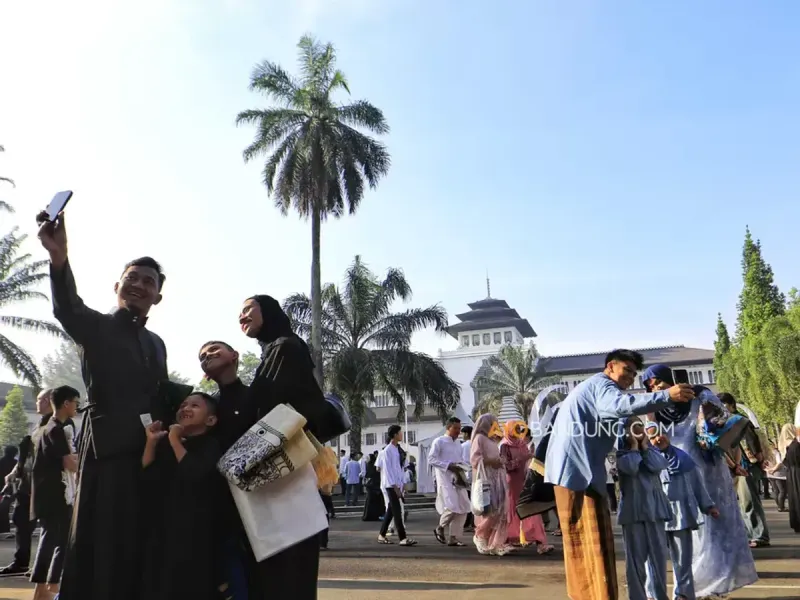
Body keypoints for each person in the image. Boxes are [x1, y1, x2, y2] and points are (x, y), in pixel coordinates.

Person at [37, 210, 172, 600]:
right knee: (102, 541)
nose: (139, 285)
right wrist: (59, 257)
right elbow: (66, 307)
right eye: (132, 278)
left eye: (148, 281)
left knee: (141, 540)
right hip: (108, 453)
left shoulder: (157, 343)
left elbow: (161, 395)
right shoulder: (96, 327)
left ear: (157, 297)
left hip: (150, 453)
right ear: (117, 286)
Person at [544, 350, 693, 600]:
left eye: (634, 374)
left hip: (579, 472)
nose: (630, 378)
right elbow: (620, 406)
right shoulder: (603, 387)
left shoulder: (598, 389)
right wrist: (667, 395)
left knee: (590, 548)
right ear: (611, 366)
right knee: (591, 549)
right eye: (627, 370)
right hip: (577, 474)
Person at [239, 294, 331, 596]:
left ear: (269, 312)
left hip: (284, 465)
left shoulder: (284, 347)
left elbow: (266, 405)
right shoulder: (278, 348)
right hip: (290, 465)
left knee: (287, 555)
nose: (242, 316)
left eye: (249, 309)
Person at [642, 365, 757, 597]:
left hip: (708, 468)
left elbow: (722, 421)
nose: (655, 388)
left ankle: (718, 579)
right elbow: (650, 433)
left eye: (658, 382)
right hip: (676, 471)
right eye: (650, 386)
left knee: (717, 523)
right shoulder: (653, 406)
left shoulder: (699, 395)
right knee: (689, 528)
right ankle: (694, 583)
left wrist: (706, 406)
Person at [140, 392, 221, 600]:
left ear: (210, 420)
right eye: (183, 405)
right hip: (164, 530)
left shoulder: (210, 445)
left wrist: (175, 440)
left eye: (194, 406)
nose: (185, 409)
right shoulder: (169, 445)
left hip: (193, 533)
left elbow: (194, 474)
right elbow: (148, 476)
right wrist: (151, 442)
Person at [199, 339, 257, 600]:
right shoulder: (207, 407)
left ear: (234, 356)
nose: (207, 355)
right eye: (202, 356)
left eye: (213, 349)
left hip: (258, 499)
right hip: (220, 504)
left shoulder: (257, 397)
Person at [644, 422, 718, 600]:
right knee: (653, 560)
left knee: (683, 560)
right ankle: (653, 594)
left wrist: (708, 505)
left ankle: (683, 594)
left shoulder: (683, 458)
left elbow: (697, 484)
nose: (658, 439)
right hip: (655, 516)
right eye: (652, 437)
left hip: (680, 515)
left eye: (660, 434)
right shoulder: (644, 460)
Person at [30, 385, 80, 600]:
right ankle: (47, 587)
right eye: (76, 403)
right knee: (56, 540)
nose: (77, 407)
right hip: (54, 495)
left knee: (55, 539)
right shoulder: (56, 430)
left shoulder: (47, 428)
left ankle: (46, 588)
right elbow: (69, 463)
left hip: (49, 494)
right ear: (66, 403)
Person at [0, 389, 54, 577]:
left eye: (39, 400)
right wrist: (15, 471)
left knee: (48, 527)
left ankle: (45, 567)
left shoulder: (57, 425)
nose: (37, 403)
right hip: (27, 485)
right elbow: (28, 456)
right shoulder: (38, 425)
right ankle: (21, 562)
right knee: (21, 521)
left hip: (43, 486)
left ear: (48, 401)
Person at [718, 392, 770, 548]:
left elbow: (751, 442)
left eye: (723, 405)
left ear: (731, 405)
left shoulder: (739, 420)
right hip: (737, 466)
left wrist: (758, 459)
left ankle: (759, 535)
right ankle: (749, 534)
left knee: (749, 501)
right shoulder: (728, 422)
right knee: (743, 503)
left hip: (746, 465)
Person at [501, 420, 551, 554]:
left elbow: (529, 459)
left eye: (519, 428)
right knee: (512, 511)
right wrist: (522, 459)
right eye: (515, 428)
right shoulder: (504, 446)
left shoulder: (522, 443)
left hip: (526, 479)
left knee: (532, 509)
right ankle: (509, 539)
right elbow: (507, 466)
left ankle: (541, 542)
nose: (518, 431)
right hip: (512, 482)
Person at [470, 414, 510, 556]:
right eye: (493, 423)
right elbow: (475, 459)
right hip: (486, 478)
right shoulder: (479, 438)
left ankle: (496, 543)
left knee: (499, 511)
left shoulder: (491, 440)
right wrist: (492, 461)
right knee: (490, 511)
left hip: (497, 479)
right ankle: (480, 535)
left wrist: (499, 461)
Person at [429, 417, 471, 547]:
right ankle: (440, 527)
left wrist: (465, 467)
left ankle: (454, 537)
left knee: (464, 506)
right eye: (456, 428)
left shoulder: (458, 443)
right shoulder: (439, 441)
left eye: (459, 428)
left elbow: (460, 460)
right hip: (445, 479)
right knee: (452, 506)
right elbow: (431, 459)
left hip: (458, 477)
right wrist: (448, 466)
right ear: (448, 427)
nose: (458, 431)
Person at [377, 425, 417, 546]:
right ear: (395, 435)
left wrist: (402, 484)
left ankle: (381, 535)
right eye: (400, 433)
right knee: (397, 511)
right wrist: (395, 487)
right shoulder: (387, 451)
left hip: (397, 484)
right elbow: (388, 471)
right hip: (390, 485)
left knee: (391, 510)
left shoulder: (398, 450)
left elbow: (400, 469)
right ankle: (402, 538)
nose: (402, 435)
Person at [766, 424, 793, 512]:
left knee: (775, 490)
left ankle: (779, 506)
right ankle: (781, 507)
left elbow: (763, 463)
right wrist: (774, 469)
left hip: (769, 474)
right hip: (779, 474)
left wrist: (768, 470)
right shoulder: (776, 452)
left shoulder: (766, 452)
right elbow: (779, 462)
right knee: (782, 491)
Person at [783, 425, 800, 533]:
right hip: (797, 473)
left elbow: (785, 461)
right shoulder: (797, 445)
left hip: (791, 474)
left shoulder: (790, 445)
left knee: (794, 499)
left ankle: (796, 522)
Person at [361, 452, 385, 521]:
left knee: (371, 502)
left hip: (372, 486)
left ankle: (370, 516)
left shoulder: (370, 465)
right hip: (375, 486)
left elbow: (368, 475)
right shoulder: (374, 465)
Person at [461, 426, 475, 531]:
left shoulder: (463, 446)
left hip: (466, 474)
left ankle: (466, 522)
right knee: (474, 499)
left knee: (466, 499)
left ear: (466, 434)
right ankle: (473, 521)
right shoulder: (475, 444)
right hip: (475, 474)